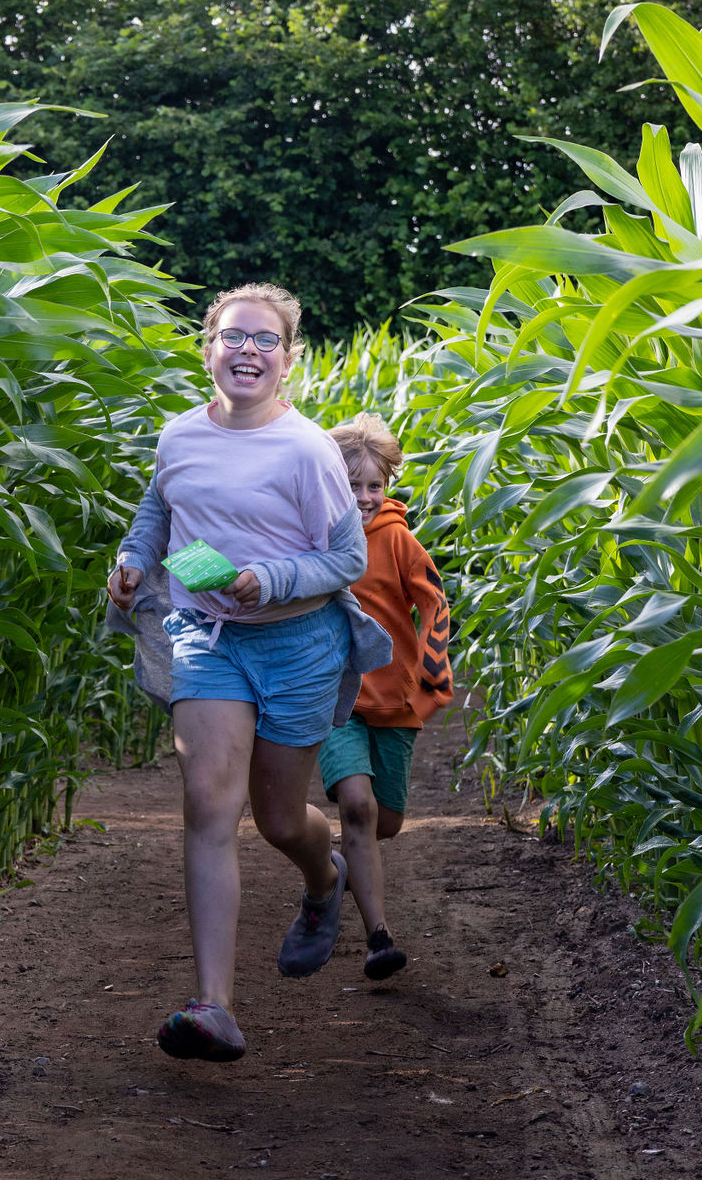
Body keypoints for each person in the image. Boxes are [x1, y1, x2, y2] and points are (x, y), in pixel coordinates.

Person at [107, 284, 391, 1063]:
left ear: (287, 361)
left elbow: (346, 559)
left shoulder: (305, 451)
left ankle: (324, 877)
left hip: (298, 644)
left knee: (276, 818)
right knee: (207, 801)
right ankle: (213, 1006)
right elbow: (155, 517)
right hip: (207, 635)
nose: (248, 352)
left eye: (266, 342)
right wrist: (131, 562)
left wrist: (268, 578)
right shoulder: (178, 439)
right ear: (209, 348)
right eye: (234, 337)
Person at [317, 413, 453, 982]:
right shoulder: (314, 537)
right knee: (357, 807)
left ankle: (330, 866)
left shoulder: (397, 539)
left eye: (375, 485)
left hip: (394, 702)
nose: (365, 497)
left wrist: (431, 673)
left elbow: (435, 606)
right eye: (351, 485)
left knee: (386, 822)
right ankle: (378, 937)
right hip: (334, 701)